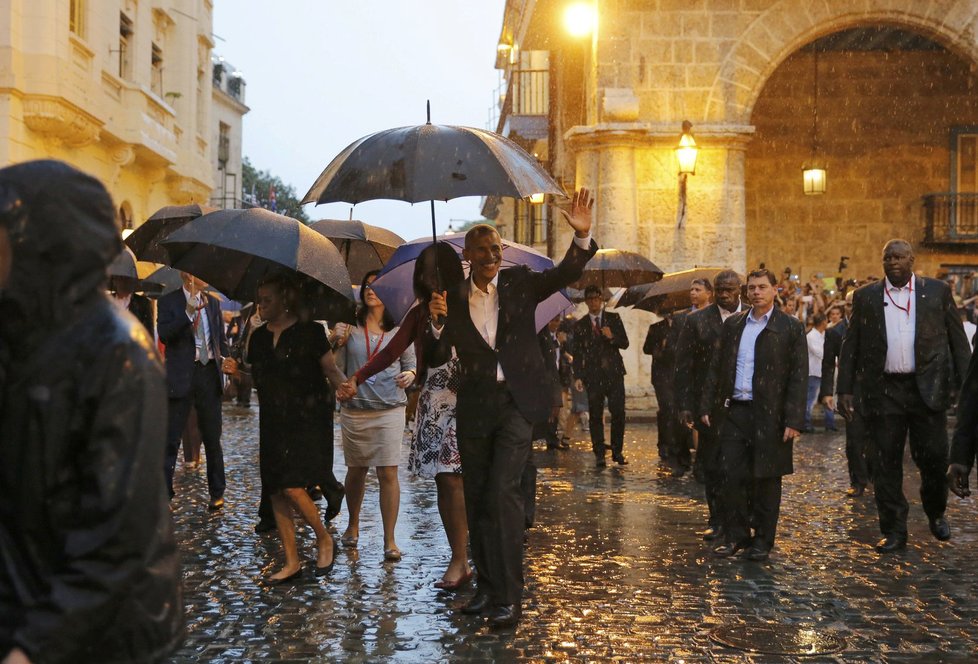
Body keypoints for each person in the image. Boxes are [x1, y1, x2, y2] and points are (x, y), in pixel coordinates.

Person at [0, 160, 183, 664]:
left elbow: (117, 534)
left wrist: (32, 649)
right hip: (33, 601)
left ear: (42, 246)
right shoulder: (19, 333)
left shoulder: (118, 353)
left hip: (107, 634)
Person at [425, 189, 597, 628]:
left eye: (496, 249)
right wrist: (438, 321)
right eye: (482, 249)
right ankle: (486, 587)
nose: (490, 255)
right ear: (467, 254)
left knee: (503, 492)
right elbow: (437, 356)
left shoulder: (521, 282)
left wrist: (581, 236)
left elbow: (565, 273)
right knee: (480, 496)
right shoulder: (450, 297)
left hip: (518, 404)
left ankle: (510, 596)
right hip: (476, 407)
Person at [337, 243, 472, 590]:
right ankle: (459, 557)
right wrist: (357, 377)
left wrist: (446, 324)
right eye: (426, 272)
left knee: (462, 480)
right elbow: (392, 351)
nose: (431, 278)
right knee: (445, 479)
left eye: (437, 271)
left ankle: (471, 554)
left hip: (467, 397)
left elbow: (474, 346)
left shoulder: (470, 301)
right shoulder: (418, 311)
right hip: (434, 401)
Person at [837, 239, 970, 553]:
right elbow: (850, 344)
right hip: (884, 391)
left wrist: (968, 387)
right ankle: (894, 529)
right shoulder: (866, 297)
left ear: (912, 260)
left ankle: (936, 511)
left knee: (935, 459)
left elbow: (957, 341)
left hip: (927, 390)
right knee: (885, 463)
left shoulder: (937, 292)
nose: (893, 262)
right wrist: (844, 389)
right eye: (887, 257)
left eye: (898, 257)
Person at [223, 274, 346, 583]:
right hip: (273, 420)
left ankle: (323, 537)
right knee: (276, 488)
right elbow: (259, 380)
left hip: (307, 418)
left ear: (284, 300)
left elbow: (330, 370)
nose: (261, 306)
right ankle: (291, 560)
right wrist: (237, 373)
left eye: (267, 300)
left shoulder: (311, 332)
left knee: (292, 485)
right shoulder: (260, 337)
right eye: (259, 300)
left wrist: (347, 391)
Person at [701, 268, 807, 562]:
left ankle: (762, 540)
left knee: (767, 479)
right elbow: (717, 367)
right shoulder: (734, 324)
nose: (756, 292)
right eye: (752, 288)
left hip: (770, 416)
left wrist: (794, 419)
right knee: (730, 475)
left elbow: (798, 376)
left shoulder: (790, 328)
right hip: (736, 411)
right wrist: (707, 405)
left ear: (775, 290)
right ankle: (736, 535)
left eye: (762, 287)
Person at [336, 270, 416, 562]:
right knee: (357, 470)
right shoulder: (349, 327)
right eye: (367, 285)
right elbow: (337, 369)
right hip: (356, 410)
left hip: (391, 408)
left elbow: (411, 363)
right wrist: (336, 342)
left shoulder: (399, 328)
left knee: (388, 472)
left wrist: (410, 374)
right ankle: (352, 524)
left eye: (377, 286)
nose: (371, 290)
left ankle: (389, 539)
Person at [675, 269, 743, 541]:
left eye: (730, 289)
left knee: (739, 465)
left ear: (740, 289)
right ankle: (716, 518)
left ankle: (740, 518)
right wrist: (685, 404)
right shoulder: (697, 321)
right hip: (709, 406)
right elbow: (684, 367)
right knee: (712, 465)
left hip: (742, 402)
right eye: (720, 290)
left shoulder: (752, 317)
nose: (725, 295)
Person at [158, 271, 229, 509]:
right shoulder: (168, 301)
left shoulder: (213, 303)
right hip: (180, 376)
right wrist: (187, 312)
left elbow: (220, 340)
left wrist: (228, 360)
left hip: (208, 375)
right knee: (171, 438)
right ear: (186, 274)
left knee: (212, 438)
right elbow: (166, 335)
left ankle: (217, 492)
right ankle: (164, 493)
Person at [820, 292, 872, 497]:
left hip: (876, 391)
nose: (853, 307)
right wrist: (826, 393)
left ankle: (874, 475)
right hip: (849, 392)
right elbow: (827, 364)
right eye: (850, 304)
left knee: (877, 439)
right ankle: (858, 480)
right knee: (854, 440)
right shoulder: (835, 332)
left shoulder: (875, 327)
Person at [574, 284, 630, 467]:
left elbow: (625, 343)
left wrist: (611, 336)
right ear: (586, 301)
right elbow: (578, 352)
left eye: (596, 298)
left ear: (601, 299)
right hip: (593, 376)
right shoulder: (581, 324)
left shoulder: (613, 319)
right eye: (589, 299)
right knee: (596, 415)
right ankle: (599, 452)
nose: (593, 302)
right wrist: (578, 376)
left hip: (614, 374)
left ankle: (617, 451)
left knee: (618, 413)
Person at [534, 316, 567, 450]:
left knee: (556, 407)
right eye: (553, 320)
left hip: (556, 375)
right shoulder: (543, 334)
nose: (555, 323)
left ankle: (552, 438)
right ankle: (542, 436)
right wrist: (558, 343)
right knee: (549, 408)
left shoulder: (557, 335)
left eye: (558, 320)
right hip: (546, 376)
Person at [804, 313, 836, 433]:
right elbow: (821, 353)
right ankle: (806, 423)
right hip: (814, 372)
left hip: (824, 372)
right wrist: (833, 357)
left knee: (827, 397)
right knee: (810, 399)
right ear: (823, 322)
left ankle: (830, 424)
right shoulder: (811, 336)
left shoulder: (824, 335)